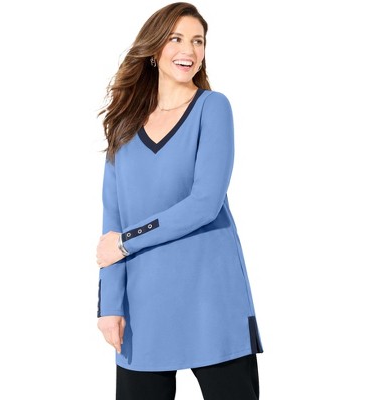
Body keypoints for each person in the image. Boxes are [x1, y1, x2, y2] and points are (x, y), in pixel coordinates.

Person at [95, 2, 263, 399]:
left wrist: (127, 241)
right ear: (154, 49)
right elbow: (112, 222)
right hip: (144, 302)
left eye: (198, 41)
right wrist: (110, 304)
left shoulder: (212, 108)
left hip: (211, 297)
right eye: (176, 38)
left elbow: (205, 203)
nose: (189, 49)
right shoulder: (123, 125)